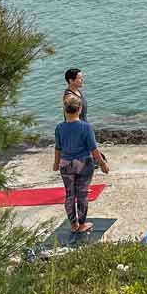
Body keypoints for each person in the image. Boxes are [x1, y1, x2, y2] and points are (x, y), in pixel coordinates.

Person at [53, 95, 109, 233]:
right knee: (82, 194)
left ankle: (73, 225)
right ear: (80, 109)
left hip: (65, 164)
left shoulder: (59, 127)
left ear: (64, 109)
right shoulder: (86, 127)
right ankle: (82, 224)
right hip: (83, 163)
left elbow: (58, 148)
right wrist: (102, 164)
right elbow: (93, 149)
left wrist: (56, 163)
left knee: (69, 194)